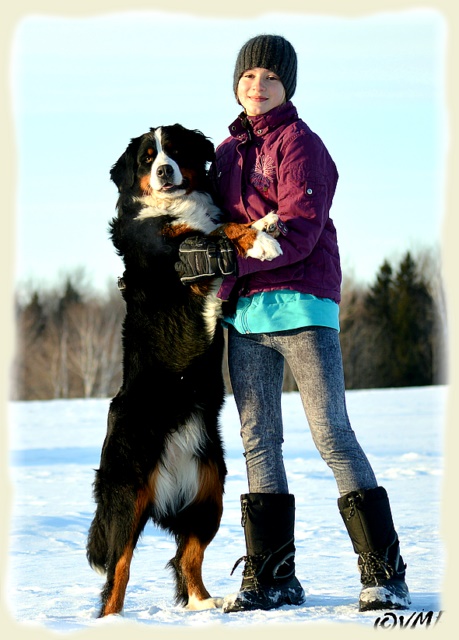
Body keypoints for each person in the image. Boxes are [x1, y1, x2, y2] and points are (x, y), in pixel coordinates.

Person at [175, 34, 411, 614]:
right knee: (259, 441)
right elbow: (212, 223)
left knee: (331, 433)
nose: (257, 85)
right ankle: (273, 575)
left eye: (270, 77)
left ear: (288, 87)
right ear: (236, 82)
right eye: (248, 75)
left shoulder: (301, 144)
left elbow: (300, 230)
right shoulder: (226, 154)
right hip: (246, 313)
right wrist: (191, 256)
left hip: (301, 306)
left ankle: (384, 571)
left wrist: (233, 254)